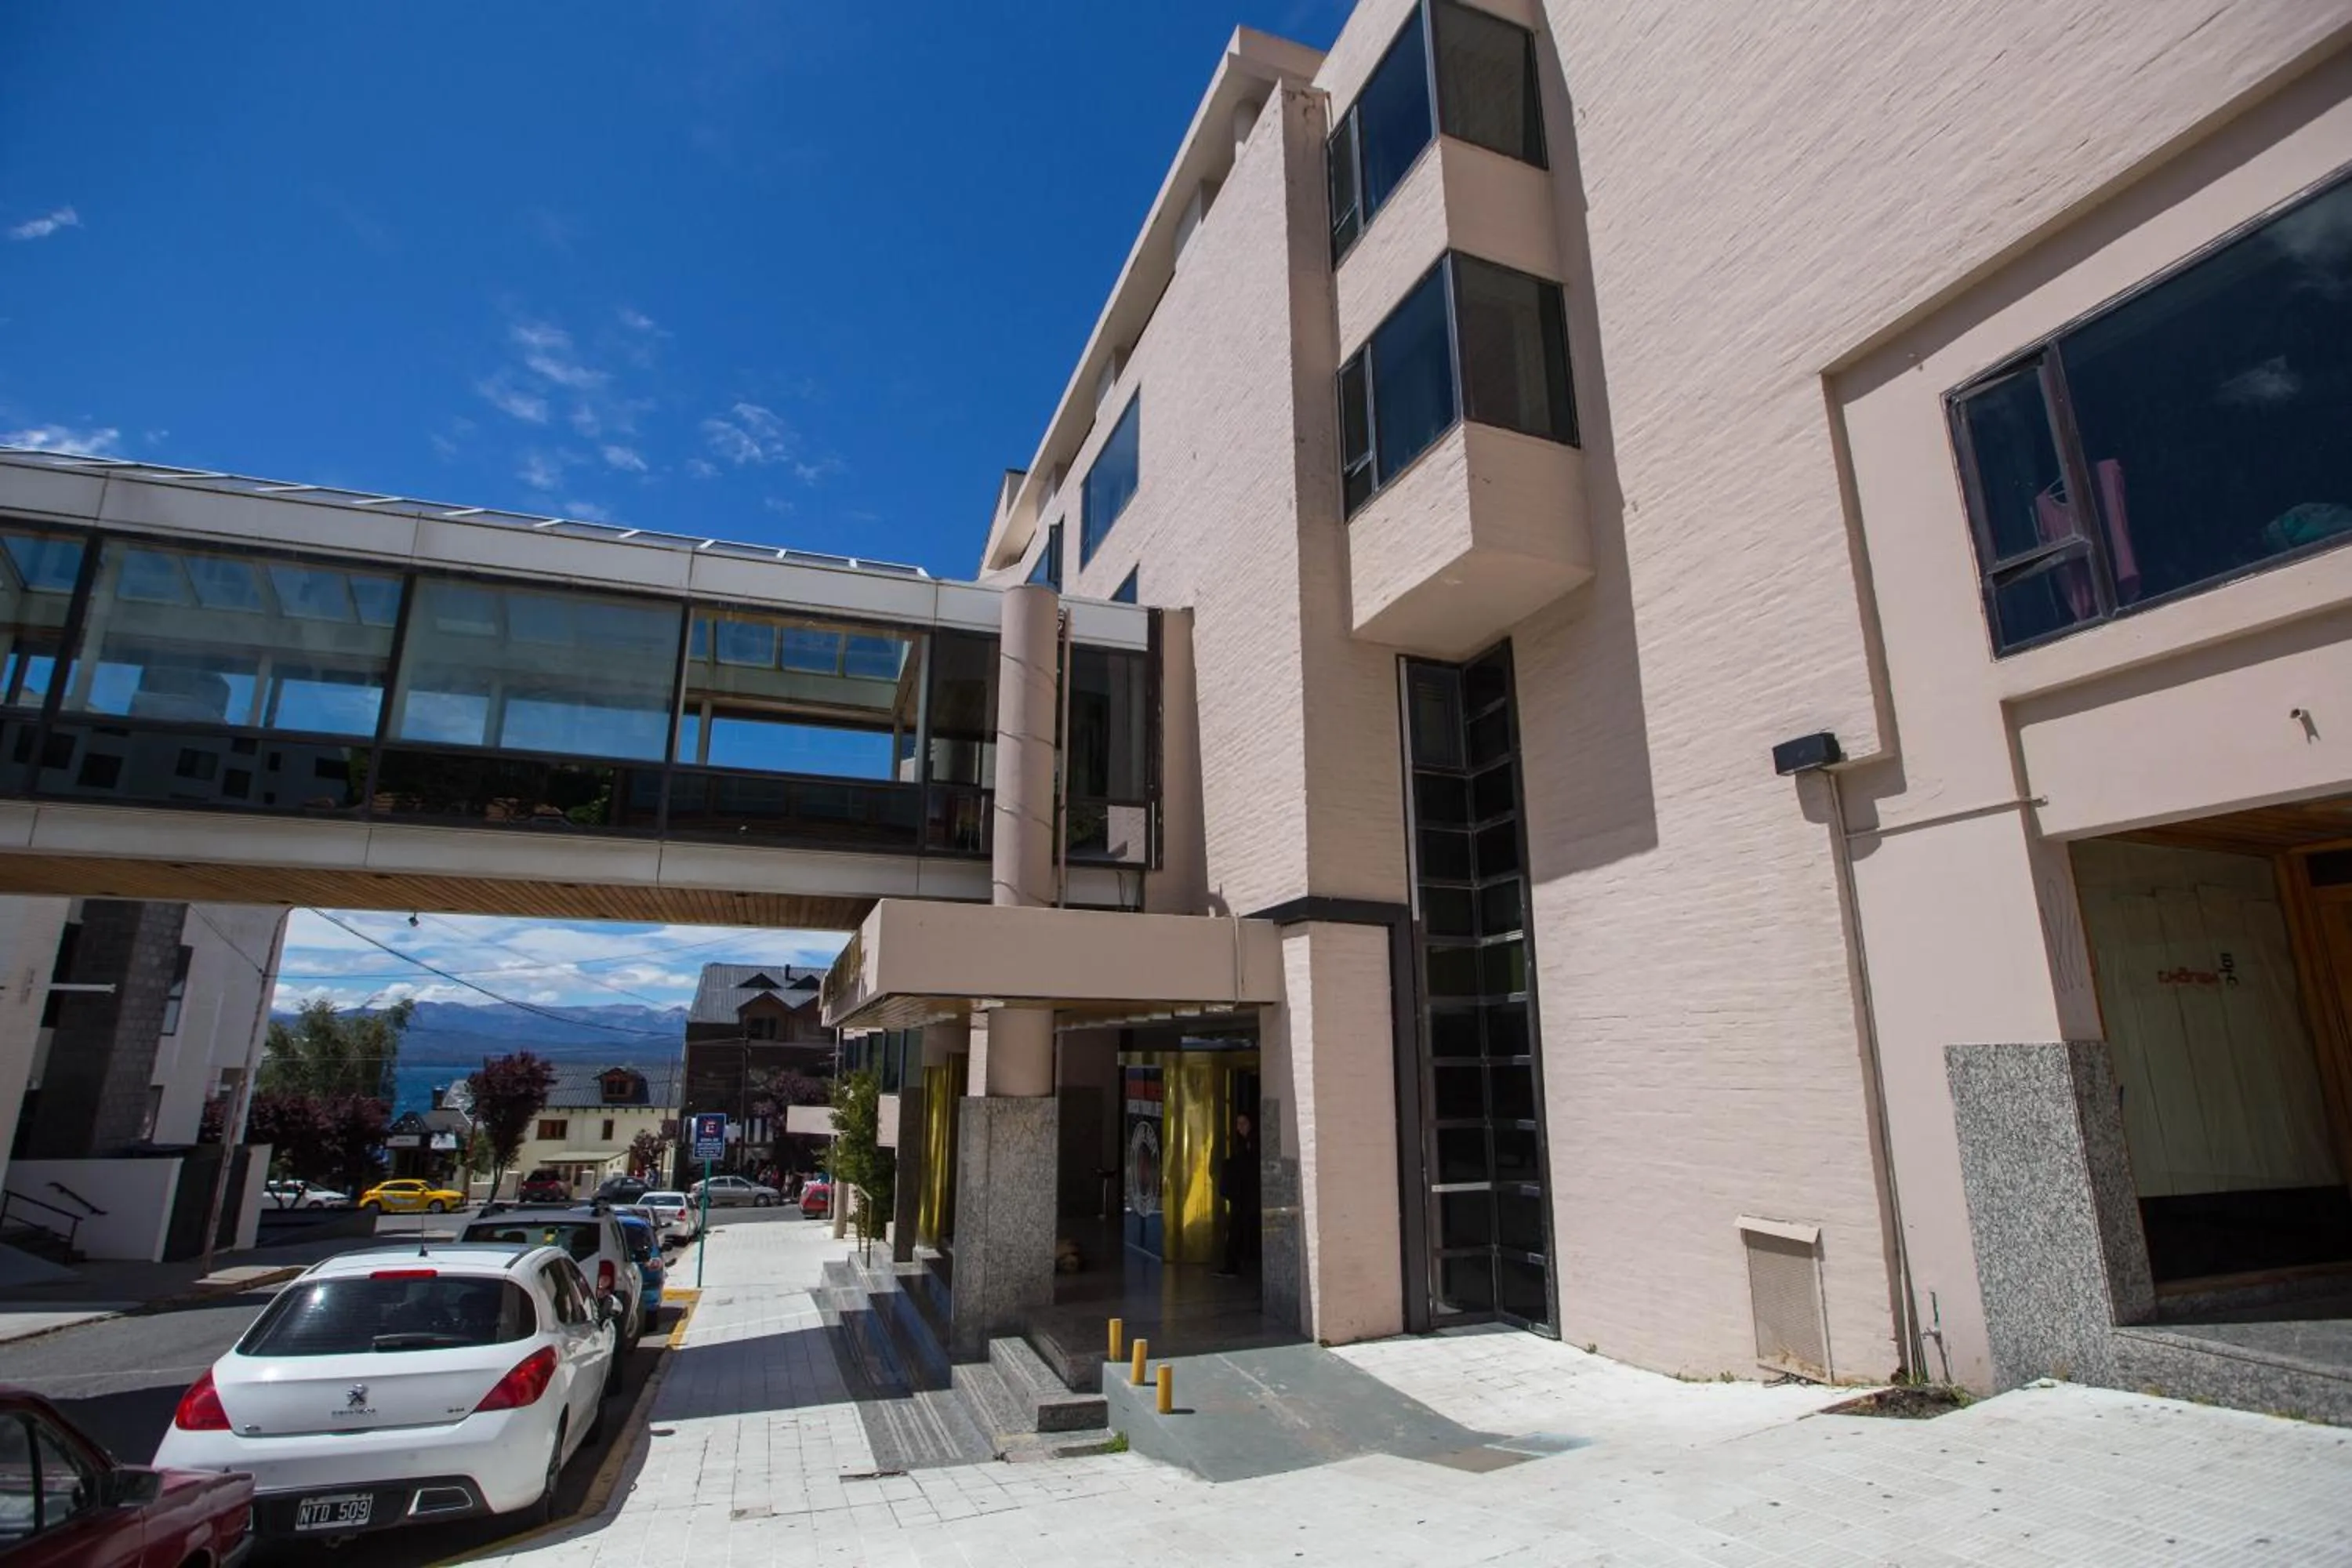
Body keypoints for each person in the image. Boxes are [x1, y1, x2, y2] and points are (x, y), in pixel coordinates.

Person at [1214, 1110, 1260, 1279]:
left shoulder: (1252, 1143)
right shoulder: (1241, 1144)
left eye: (1244, 1123)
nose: (1240, 1127)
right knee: (1236, 1228)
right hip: (1241, 1195)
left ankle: (1234, 1264)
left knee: (1237, 1229)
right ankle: (1234, 1263)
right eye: (1238, 1124)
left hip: (1246, 1195)